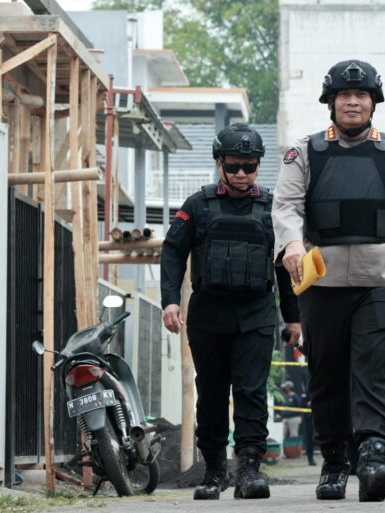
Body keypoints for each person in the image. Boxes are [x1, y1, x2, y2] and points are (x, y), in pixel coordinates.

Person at [272, 59, 385, 502]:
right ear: (331, 103)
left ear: (373, 103)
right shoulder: (304, 152)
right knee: (327, 377)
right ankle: (335, 463)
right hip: (322, 284)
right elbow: (286, 206)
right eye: (344, 95)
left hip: (383, 279)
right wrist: (292, 244)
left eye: (361, 95)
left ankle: (374, 458)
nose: (353, 102)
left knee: (377, 371)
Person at [160, 124, 301, 501]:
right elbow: (172, 253)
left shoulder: (272, 208)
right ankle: (214, 471)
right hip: (209, 315)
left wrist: (293, 317)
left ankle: (249, 471)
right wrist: (170, 301)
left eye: (249, 166)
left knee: (251, 392)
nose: (241, 173)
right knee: (211, 393)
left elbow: (285, 265)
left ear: (258, 166)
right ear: (219, 163)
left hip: (256, 314)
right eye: (233, 166)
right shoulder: (197, 205)